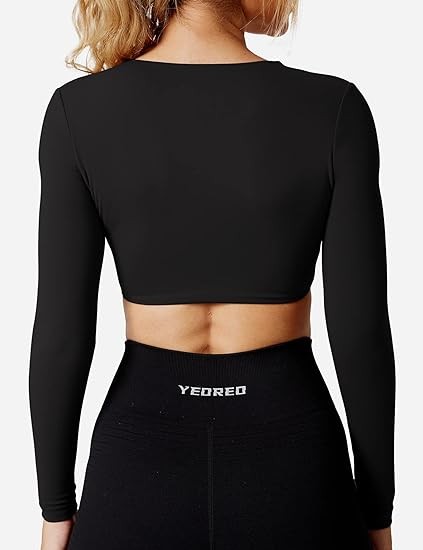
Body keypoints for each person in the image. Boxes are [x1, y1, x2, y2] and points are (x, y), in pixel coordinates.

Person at [28, 1, 396, 549]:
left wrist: (56, 508)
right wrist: (376, 513)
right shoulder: (334, 107)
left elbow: (61, 335)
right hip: (295, 460)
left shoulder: (76, 111)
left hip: (138, 461)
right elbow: (360, 332)